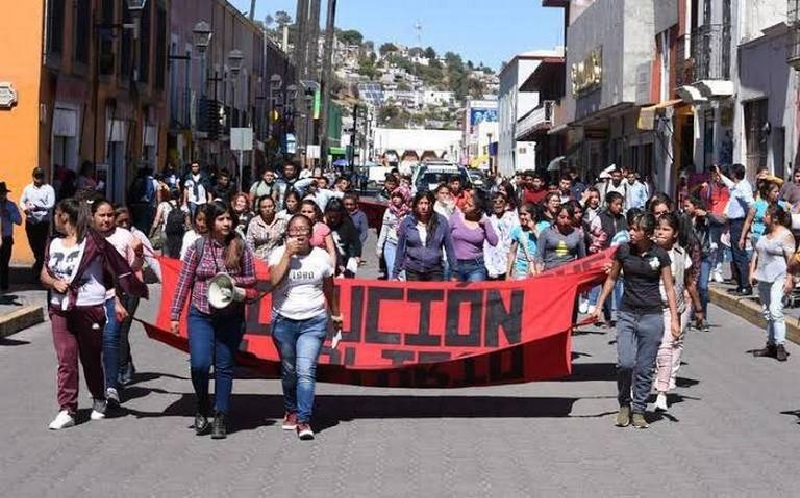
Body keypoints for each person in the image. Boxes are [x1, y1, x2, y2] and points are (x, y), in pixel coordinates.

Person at [42, 198, 146, 429]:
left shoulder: (94, 243)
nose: (54, 218)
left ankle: (99, 397)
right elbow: (44, 274)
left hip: (90, 307)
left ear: (64, 216)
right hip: (61, 308)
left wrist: (137, 258)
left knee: (90, 358)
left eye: (56, 213)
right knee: (66, 358)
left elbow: (121, 268)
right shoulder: (54, 243)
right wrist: (53, 282)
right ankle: (67, 409)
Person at [170, 201, 256, 439]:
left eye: (229, 218)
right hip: (201, 313)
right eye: (221, 219)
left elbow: (252, 281)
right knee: (199, 364)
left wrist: (234, 284)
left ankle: (220, 416)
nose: (226, 223)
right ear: (210, 223)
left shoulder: (240, 246)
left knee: (224, 367)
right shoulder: (198, 247)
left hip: (230, 315)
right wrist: (175, 314)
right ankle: (201, 404)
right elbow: (184, 281)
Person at [592, 212, 680, 429]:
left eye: (635, 229)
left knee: (644, 367)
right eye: (630, 228)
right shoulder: (623, 250)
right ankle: (624, 404)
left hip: (652, 316)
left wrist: (675, 319)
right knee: (626, 363)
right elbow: (612, 279)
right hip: (627, 314)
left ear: (647, 233)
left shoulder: (660, 255)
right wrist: (599, 306)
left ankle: (639, 409)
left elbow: (669, 288)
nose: (630, 232)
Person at [268, 214, 342, 440]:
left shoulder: (321, 258)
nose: (299, 233)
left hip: (313, 320)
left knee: (305, 370)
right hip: (284, 320)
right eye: (294, 229)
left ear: (311, 234)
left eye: (303, 229)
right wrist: (288, 255)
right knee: (289, 370)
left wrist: (335, 314)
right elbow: (273, 281)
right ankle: (290, 408)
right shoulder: (279, 253)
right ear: (288, 233)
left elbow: (329, 288)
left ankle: (303, 420)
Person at [90, 199, 144, 409]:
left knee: (111, 338)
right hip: (89, 300)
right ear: (93, 216)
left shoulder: (124, 237)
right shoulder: (85, 237)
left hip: (116, 297)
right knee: (93, 344)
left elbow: (134, 266)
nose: (106, 219)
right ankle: (98, 384)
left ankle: (111, 387)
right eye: (102, 215)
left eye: (110, 215)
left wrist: (138, 253)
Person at [652, 212, 701, 412]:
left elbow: (688, 282)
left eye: (666, 229)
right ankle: (640, 386)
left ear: (675, 233)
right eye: (658, 228)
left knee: (667, 348)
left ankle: (662, 392)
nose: (661, 233)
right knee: (648, 351)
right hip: (649, 308)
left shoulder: (681, 256)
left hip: (673, 308)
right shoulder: (648, 252)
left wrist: (698, 308)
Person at [113, 207, 154, 385]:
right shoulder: (106, 237)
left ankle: (123, 368)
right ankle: (125, 363)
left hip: (132, 289)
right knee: (114, 332)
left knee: (122, 330)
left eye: (126, 222)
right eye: (120, 221)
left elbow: (152, 259)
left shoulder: (136, 236)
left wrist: (168, 282)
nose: (124, 225)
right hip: (112, 291)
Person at [749, 204, 794, 362]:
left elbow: (791, 260)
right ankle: (771, 345)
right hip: (763, 277)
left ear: (775, 218)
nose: (764, 217)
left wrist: (790, 279)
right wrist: (752, 272)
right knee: (767, 312)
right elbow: (757, 251)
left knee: (776, 310)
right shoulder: (765, 232)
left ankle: (780, 345)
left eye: (767, 215)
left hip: (779, 277)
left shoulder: (786, 235)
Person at [393, 191, 456, 282]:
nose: (423, 207)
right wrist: (395, 273)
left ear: (431, 204)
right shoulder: (407, 222)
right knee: (416, 296)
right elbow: (400, 248)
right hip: (413, 270)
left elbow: (449, 247)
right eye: (421, 203)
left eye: (426, 203)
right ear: (416, 205)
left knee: (434, 296)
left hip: (435, 270)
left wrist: (454, 271)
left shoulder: (441, 221)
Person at [716, 164, 755, 296]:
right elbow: (730, 185)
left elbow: (752, 206)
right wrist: (719, 174)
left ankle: (745, 286)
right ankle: (740, 284)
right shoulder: (738, 186)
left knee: (740, 255)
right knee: (735, 253)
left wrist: (746, 228)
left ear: (734, 174)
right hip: (734, 224)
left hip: (739, 223)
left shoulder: (743, 188)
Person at [449, 194, 498, 282]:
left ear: (477, 210)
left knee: (475, 295)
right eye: (466, 203)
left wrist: (486, 224)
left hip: (475, 266)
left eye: (470, 205)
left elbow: (494, 242)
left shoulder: (484, 223)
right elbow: (445, 236)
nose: (466, 206)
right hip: (455, 265)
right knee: (454, 295)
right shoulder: (455, 217)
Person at [20, 167, 56, 279]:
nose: (38, 179)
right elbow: (21, 201)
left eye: (40, 176)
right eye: (36, 176)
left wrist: (38, 207)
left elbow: (50, 204)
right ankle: (39, 262)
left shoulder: (48, 189)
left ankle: (39, 268)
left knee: (41, 245)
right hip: (30, 220)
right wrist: (25, 209)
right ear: (33, 176)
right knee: (33, 244)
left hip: (43, 221)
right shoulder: (27, 189)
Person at [683, 197, 712, 331]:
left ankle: (702, 316)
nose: (685, 208)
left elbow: (722, 221)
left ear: (695, 207)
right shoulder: (684, 219)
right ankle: (689, 315)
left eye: (688, 206)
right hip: (689, 256)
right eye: (684, 206)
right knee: (690, 286)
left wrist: (706, 214)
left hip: (704, 256)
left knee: (703, 287)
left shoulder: (704, 219)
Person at [698, 166, 730, 283]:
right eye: (716, 175)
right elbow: (700, 198)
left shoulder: (729, 189)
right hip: (711, 222)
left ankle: (718, 271)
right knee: (712, 248)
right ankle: (710, 270)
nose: (718, 178)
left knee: (722, 248)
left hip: (724, 223)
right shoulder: (708, 189)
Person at [535, 203, 586, 271]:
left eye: (569, 218)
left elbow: (582, 258)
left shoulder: (577, 234)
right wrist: (538, 269)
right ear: (556, 216)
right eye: (562, 217)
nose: (565, 221)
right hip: (550, 273)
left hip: (570, 274)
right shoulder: (546, 232)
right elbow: (539, 255)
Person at [742, 181, 787, 251]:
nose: (777, 194)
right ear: (767, 192)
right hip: (757, 237)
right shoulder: (757, 205)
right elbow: (748, 222)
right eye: (775, 192)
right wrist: (742, 238)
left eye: (778, 192)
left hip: (774, 239)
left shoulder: (781, 206)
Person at [376, 189, 411, 281]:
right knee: (391, 268)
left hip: (404, 245)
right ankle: (392, 291)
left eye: (398, 197)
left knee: (403, 272)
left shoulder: (409, 213)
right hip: (390, 243)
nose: (395, 199)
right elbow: (384, 229)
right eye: (394, 197)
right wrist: (379, 246)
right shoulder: (388, 211)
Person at [483, 192, 519, 281]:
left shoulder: (512, 217)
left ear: (505, 204)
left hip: (509, 257)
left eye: (500, 201)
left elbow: (516, 236)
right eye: (495, 202)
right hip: (493, 257)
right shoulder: (488, 218)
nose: (498, 204)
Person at [324, 199, 362, 278]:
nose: (333, 219)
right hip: (327, 260)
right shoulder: (323, 224)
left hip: (344, 258)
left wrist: (357, 255)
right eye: (330, 217)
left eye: (336, 217)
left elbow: (355, 241)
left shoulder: (347, 223)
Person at [246, 195, 286, 262]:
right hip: (258, 260)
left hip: (276, 260)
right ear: (259, 208)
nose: (267, 209)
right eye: (264, 207)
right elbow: (249, 243)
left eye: (270, 206)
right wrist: (253, 259)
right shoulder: (254, 222)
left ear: (274, 207)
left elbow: (286, 241)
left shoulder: (282, 221)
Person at [506, 203, 541, 280]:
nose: (522, 217)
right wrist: (508, 274)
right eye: (520, 214)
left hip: (537, 267)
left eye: (525, 214)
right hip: (521, 269)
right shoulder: (517, 230)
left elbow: (544, 243)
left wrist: (533, 229)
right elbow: (512, 253)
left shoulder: (541, 226)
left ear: (533, 215)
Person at [0, 182, 22, 291]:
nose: (1, 196)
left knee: (4, 262)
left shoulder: (11, 206)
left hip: (6, 237)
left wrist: (9, 214)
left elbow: (19, 221)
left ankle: (4, 285)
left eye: (3, 193)